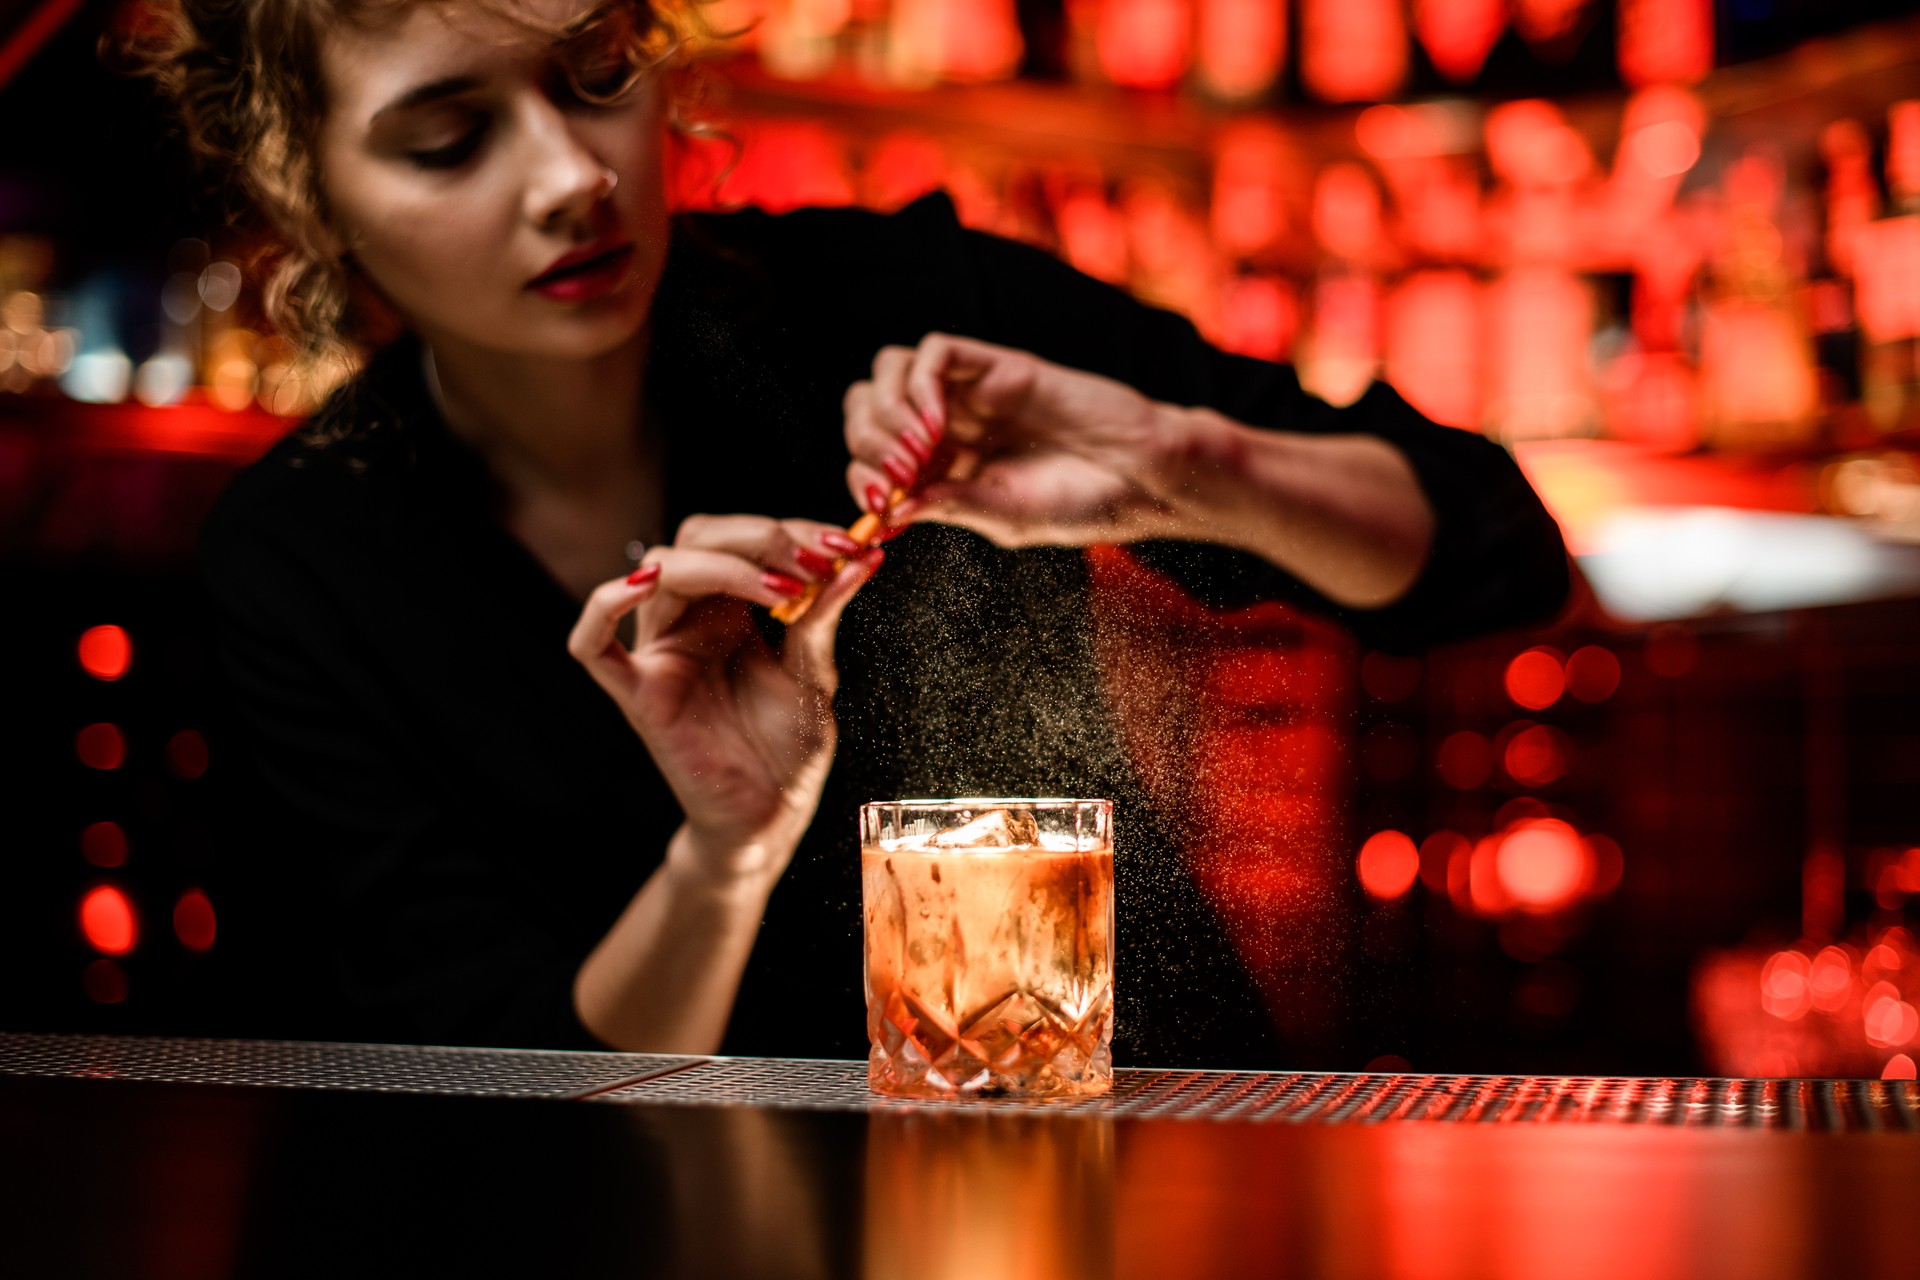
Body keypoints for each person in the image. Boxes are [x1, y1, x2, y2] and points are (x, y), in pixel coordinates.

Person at [131, 0, 1568, 1065]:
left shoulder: (905, 308)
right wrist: (727, 855)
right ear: (309, 195)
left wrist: (1178, 464)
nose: (574, 175)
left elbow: (1491, 549)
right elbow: (517, 1095)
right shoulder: (310, 558)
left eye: (601, 75)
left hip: (1145, 1182)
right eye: (449, 138)